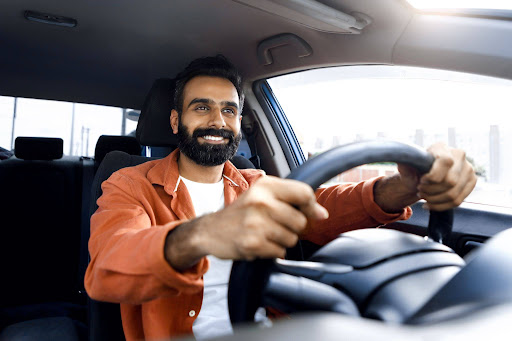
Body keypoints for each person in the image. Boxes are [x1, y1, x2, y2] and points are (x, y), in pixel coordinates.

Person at [85, 55, 477, 341]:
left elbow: (325, 207)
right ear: (175, 121)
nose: (217, 122)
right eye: (201, 107)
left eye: (229, 110)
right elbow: (108, 266)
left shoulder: (256, 183)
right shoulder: (129, 183)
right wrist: (202, 234)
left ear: (239, 122)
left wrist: (403, 187)